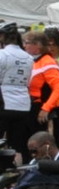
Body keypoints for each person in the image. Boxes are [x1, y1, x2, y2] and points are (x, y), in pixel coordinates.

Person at [0, 26, 34, 159]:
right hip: (23, 104)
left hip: (4, 102)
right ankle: (17, 178)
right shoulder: (28, 57)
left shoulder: (2, 54)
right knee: (17, 146)